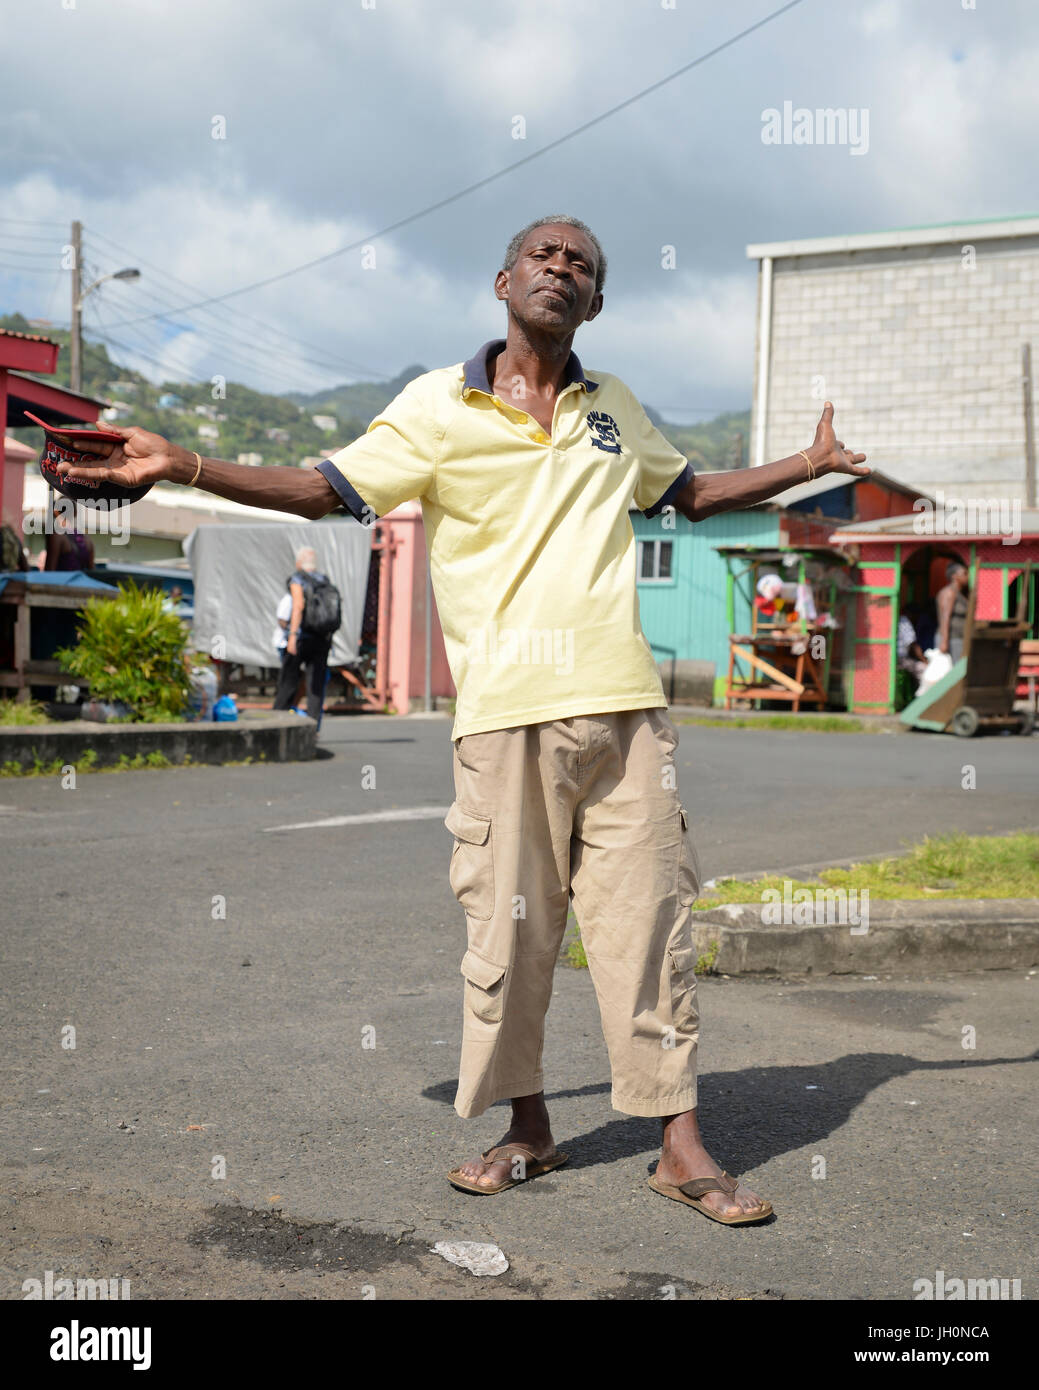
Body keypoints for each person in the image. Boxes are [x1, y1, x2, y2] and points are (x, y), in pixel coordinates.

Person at [49, 215, 869, 1225]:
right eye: (545, 256)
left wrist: (801, 463)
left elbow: (689, 495)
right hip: (506, 715)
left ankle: (679, 1142)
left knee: (649, 924)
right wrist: (180, 464)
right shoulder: (437, 408)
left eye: (582, 265)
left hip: (625, 712)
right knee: (511, 931)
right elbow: (321, 490)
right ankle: (530, 1126)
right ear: (503, 280)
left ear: (597, 303)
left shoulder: (612, 408)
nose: (561, 270)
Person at [271, 547, 333, 725]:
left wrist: (292, 636)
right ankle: (314, 728)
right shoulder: (324, 581)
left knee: (288, 682)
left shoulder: (297, 579)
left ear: (298, 563)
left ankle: (276, 725)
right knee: (315, 687)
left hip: (301, 638)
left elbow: (298, 606)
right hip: (322, 639)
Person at [936, 561, 970, 663]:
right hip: (952, 639)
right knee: (954, 673)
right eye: (964, 573)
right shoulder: (949, 593)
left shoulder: (960, 594)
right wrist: (944, 641)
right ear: (955, 576)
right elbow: (945, 617)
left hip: (959, 638)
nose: (967, 576)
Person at [44, 503, 94, 571]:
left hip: (61, 581)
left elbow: (49, 571)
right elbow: (91, 572)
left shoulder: (57, 537)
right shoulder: (87, 540)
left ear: (55, 512)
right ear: (75, 513)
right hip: (80, 581)